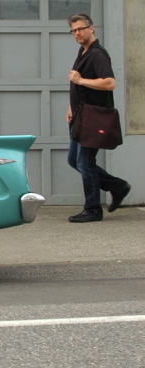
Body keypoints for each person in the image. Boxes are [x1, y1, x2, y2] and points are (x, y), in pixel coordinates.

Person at [66, 13, 131, 222]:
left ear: (91, 28)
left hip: (94, 118)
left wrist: (81, 80)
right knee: (74, 160)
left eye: (81, 29)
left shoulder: (98, 54)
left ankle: (93, 209)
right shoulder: (83, 51)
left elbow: (109, 83)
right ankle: (117, 186)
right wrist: (71, 106)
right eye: (74, 30)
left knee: (84, 162)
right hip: (80, 116)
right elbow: (77, 85)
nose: (77, 33)